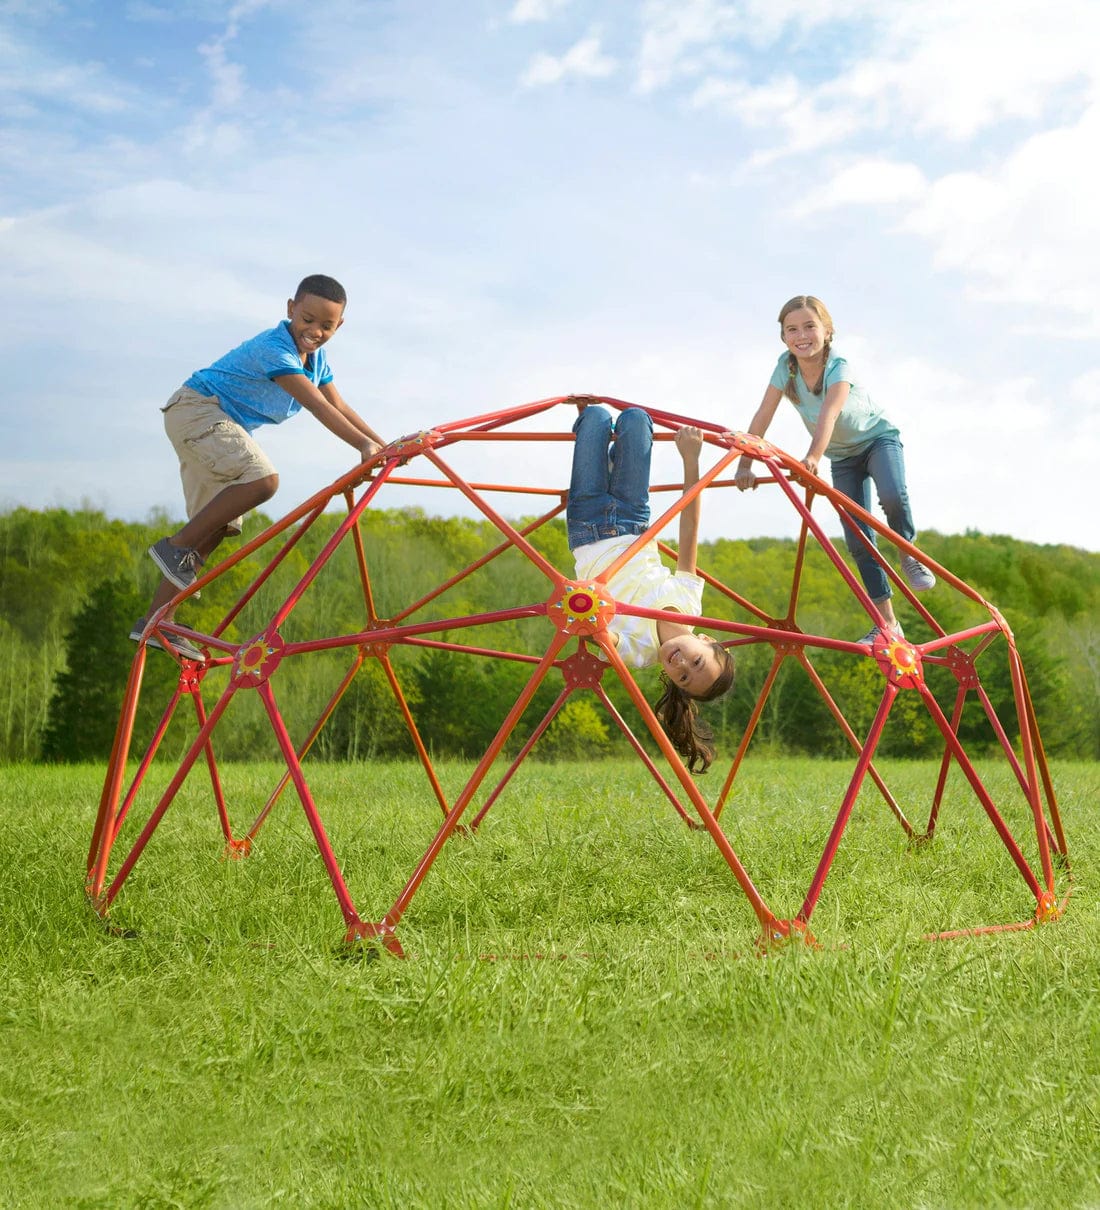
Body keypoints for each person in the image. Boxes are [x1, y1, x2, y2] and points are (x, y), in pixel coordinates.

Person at [132, 274, 385, 659]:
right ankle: (175, 546)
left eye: (326, 326)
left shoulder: (317, 361)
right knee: (263, 481)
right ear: (290, 310)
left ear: (339, 326)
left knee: (218, 526)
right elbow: (317, 405)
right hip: (198, 410)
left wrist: (381, 445)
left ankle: (155, 621)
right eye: (307, 319)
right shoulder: (275, 350)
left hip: (215, 424)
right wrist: (363, 445)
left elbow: (340, 406)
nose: (314, 331)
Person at [734, 295, 936, 645]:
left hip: (876, 440)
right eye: (792, 329)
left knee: (893, 496)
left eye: (810, 326)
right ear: (783, 337)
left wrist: (812, 456)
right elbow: (763, 414)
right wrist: (745, 462)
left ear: (827, 331)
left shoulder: (838, 364)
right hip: (843, 457)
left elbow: (829, 412)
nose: (802, 335)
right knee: (857, 537)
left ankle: (908, 550)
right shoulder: (786, 367)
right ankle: (888, 625)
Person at [566, 399, 735, 772]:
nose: (682, 664)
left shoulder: (639, 653)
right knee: (636, 421)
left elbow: (601, 639)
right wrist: (691, 460)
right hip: (632, 516)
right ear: (706, 640)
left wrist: (600, 638)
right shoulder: (689, 602)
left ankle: (586, 425)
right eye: (696, 661)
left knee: (593, 419)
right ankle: (594, 423)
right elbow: (689, 527)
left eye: (684, 678)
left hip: (588, 525)